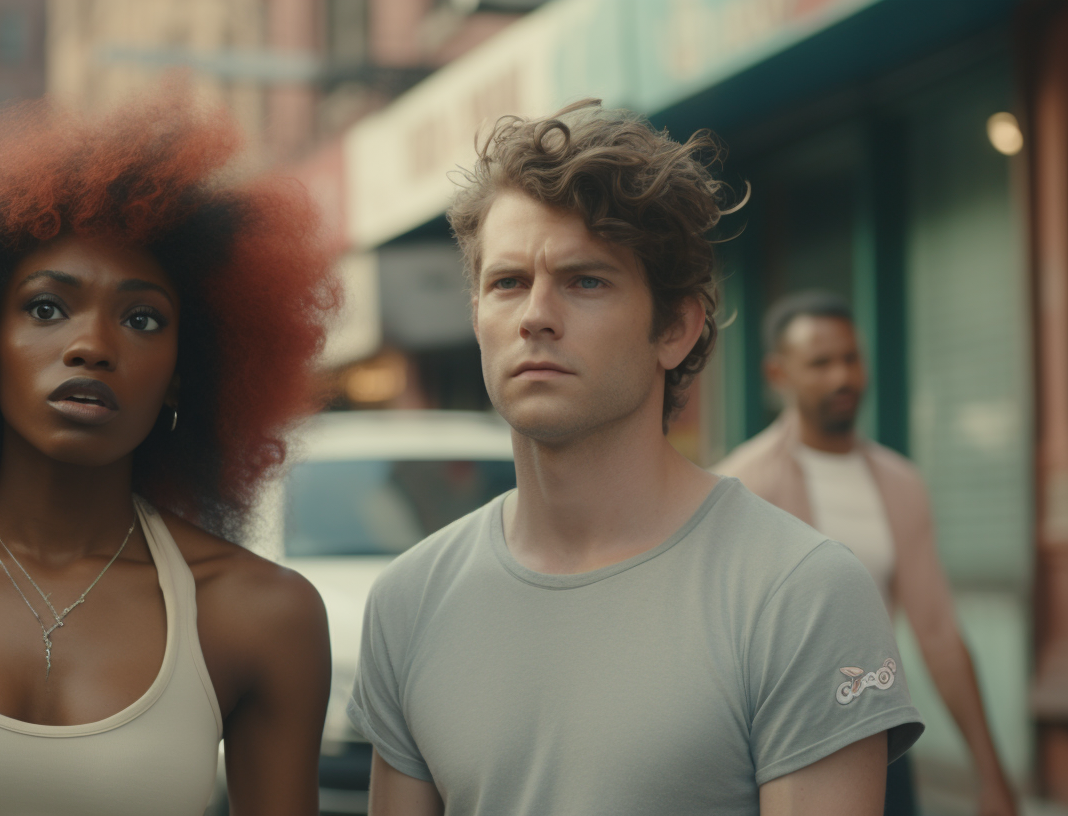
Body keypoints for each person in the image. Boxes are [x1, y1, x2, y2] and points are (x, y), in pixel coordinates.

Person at [347, 99, 924, 816]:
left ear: (676, 329)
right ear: (476, 319)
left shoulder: (800, 593)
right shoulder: (410, 602)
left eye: (586, 280)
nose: (536, 315)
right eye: (507, 283)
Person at [0, 96, 336, 816]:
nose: (92, 345)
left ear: (181, 375)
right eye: (47, 307)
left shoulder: (262, 614)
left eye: (142, 319)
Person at [714, 291, 1017, 816]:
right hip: (777, 747)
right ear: (777, 374)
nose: (842, 378)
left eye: (851, 358)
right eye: (820, 363)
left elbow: (939, 632)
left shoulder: (901, 483)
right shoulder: (742, 485)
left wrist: (990, 776)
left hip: (879, 731)